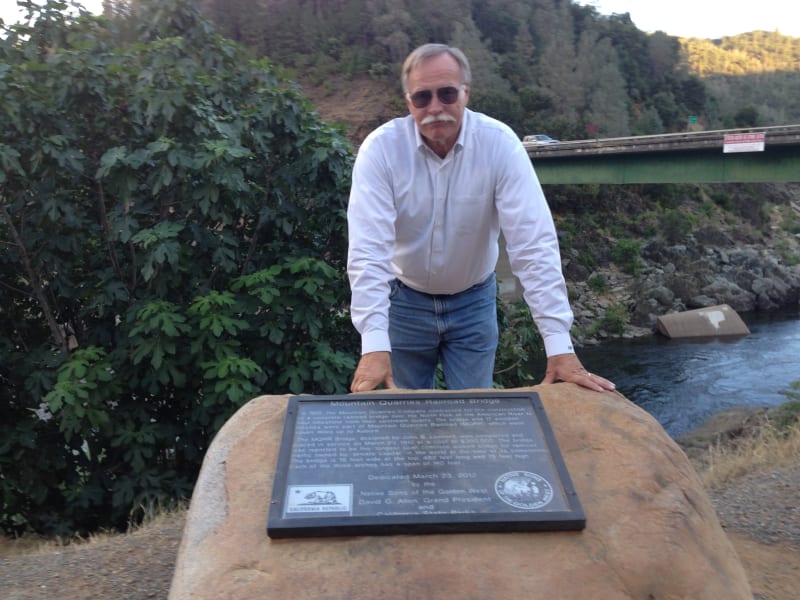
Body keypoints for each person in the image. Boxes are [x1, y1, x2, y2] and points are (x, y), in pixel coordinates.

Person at [346, 43, 615, 394]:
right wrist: (374, 344)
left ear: (466, 92)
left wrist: (559, 346)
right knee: (407, 421)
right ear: (407, 101)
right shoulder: (381, 150)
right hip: (404, 301)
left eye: (446, 93)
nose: (435, 107)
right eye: (422, 97)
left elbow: (532, 244)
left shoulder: (500, 145)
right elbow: (368, 251)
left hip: (473, 303)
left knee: (474, 418)